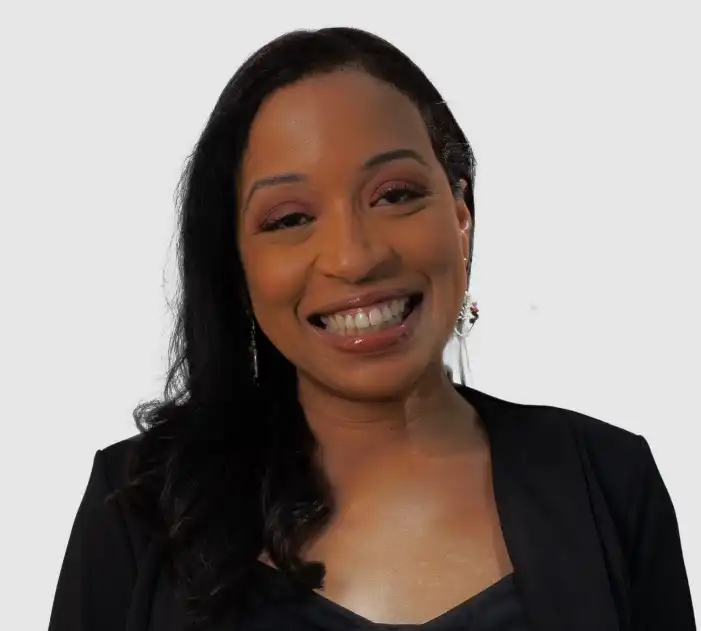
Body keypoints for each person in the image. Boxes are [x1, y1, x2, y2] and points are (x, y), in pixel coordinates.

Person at [48, 27, 696, 631]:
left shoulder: (609, 481)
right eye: (289, 218)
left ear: (461, 215)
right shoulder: (136, 510)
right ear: (238, 265)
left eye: (394, 195)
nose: (354, 257)